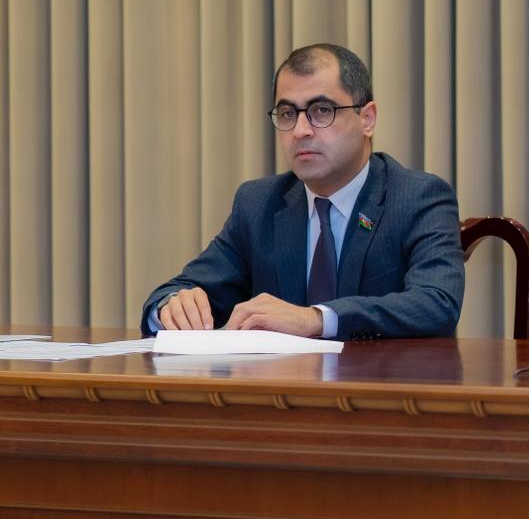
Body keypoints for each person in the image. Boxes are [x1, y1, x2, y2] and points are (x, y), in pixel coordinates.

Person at [141, 44, 464, 339]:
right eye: (287, 114)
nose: (300, 130)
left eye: (321, 110)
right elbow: (181, 289)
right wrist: (172, 306)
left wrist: (316, 319)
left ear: (367, 119)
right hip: (283, 384)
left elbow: (436, 302)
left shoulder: (418, 197)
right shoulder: (259, 204)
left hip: (379, 382)